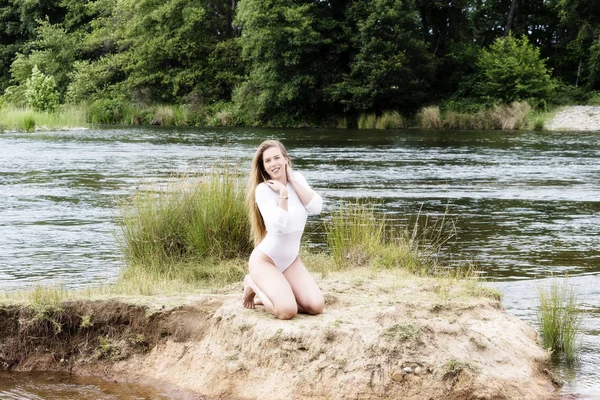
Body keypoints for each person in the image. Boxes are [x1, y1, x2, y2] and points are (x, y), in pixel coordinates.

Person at [243, 140, 324, 320]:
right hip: (265, 261)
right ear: (263, 167)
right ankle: (252, 283)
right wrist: (283, 195)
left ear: (286, 159)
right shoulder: (263, 190)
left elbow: (316, 207)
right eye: (268, 161)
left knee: (316, 306)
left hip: (290, 260)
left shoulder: (299, 180)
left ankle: (277, 291)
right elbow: (277, 228)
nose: (273, 163)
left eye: (277, 158)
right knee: (287, 311)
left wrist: (293, 181)